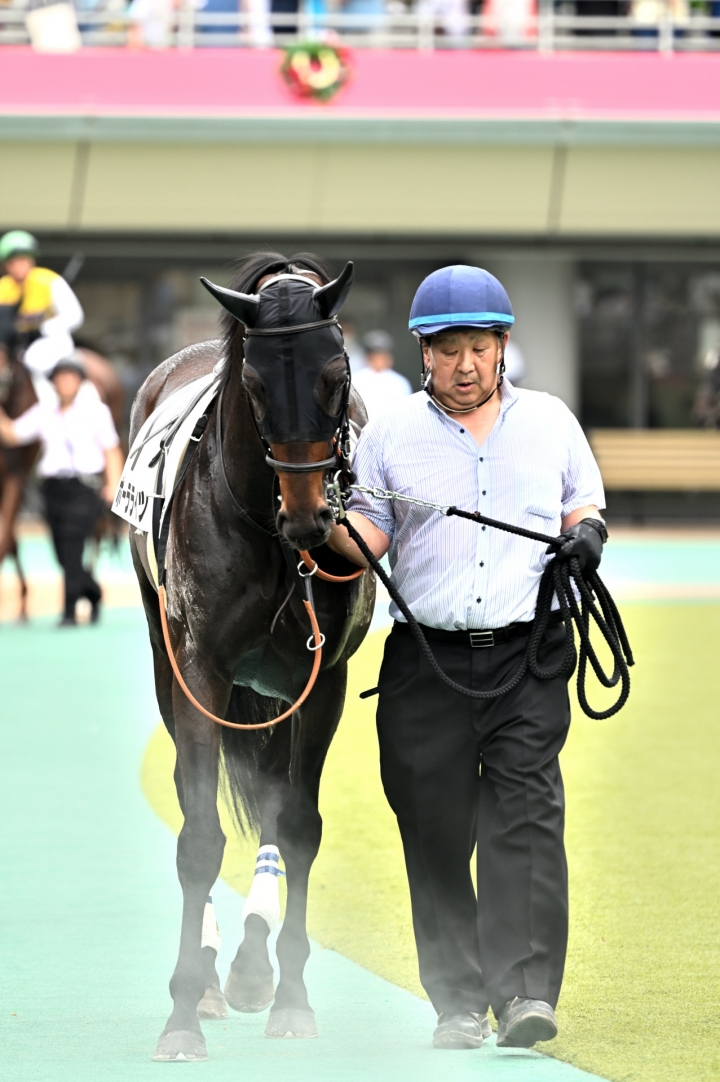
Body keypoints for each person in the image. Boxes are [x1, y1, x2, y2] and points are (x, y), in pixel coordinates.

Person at [328, 265, 606, 1051]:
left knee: (524, 819)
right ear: (424, 353)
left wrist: (586, 533)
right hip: (426, 666)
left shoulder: (551, 421)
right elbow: (367, 540)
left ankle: (523, 994)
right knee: (436, 830)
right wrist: (320, 532)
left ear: (502, 347)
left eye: (478, 347)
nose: (464, 364)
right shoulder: (389, 436)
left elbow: (581, 502)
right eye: (447, 349)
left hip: (529, 656)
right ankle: (456, 1001)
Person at [0, 355, 124, 627]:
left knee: (71, 545)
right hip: (53, 489)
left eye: (70, 377)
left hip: (84, 487)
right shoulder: (44, 411)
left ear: (80, 382)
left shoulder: (96, 411)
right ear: (53, 383)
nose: (65, 382)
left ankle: (69, 612)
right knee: (60, 552)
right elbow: (13, 434)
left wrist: (113, 485)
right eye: (60, 377)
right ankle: (93, 591)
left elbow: (111, 450)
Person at [0, 231, 84, 391]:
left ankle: (51, 400)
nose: (18, 266)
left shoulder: (49, 281)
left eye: (23, 260)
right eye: (13, 262)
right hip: (17, 345)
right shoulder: (3, 287)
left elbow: (75, 316)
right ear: (6, 265)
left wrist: (44, 325)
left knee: (35, 361)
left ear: (31, 260)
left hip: (48, 340)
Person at [351, 330, 412, 420]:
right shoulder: (355, 380)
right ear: (368, 357)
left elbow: (406, 413)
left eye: (383, 355)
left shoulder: (399, 382)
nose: (380, 360)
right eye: (376, 355)